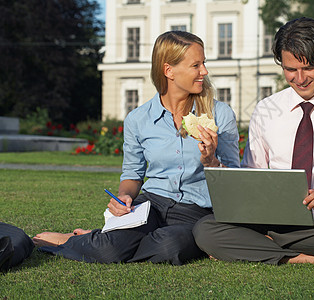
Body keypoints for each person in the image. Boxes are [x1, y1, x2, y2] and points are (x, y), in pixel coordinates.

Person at [32, 31, 240, 265]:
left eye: (204, 63)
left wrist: (211, 161)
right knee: (110, 252)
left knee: (170, 246)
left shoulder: (219, 114)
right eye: (196, 65)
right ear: (168, 70)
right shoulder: (138, 119)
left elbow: (235, 178)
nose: (205, 71)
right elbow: (132, 174)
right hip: (151, 204)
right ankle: (82, 242)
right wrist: (124, 197)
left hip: (196, 211)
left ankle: (99, 239)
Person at [193, 17, 314, 271]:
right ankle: (310, 257)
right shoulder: (266, 109)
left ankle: (259, 246)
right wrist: (213, 163)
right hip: (270, 220)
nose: (300, 78)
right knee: (204, 229)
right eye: (290, 70)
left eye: (308, 68)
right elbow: (252, 173)